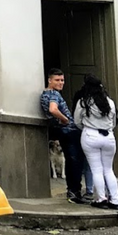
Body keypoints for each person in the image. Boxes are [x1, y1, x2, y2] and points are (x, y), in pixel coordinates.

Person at [41, 69, 89, 204]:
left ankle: (73, 192)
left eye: (62, 80)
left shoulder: (45, 94)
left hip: (61, 131)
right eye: (57, 80)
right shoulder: (54, 94)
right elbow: (53, 109)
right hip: (69, 131)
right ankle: (75, 193)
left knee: (70, 161)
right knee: (75, 162)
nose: (61, 82)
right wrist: (65, 120)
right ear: (50, 80)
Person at [74, 75, 118, 210]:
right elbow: (113, 122)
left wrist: (87, 127)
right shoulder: (110, 103)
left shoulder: (84, 102)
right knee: (108, 169)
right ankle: (115, 200)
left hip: (90, 134)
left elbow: (77, 121)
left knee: (96, 169)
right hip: (108, 136)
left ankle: (101, 198)